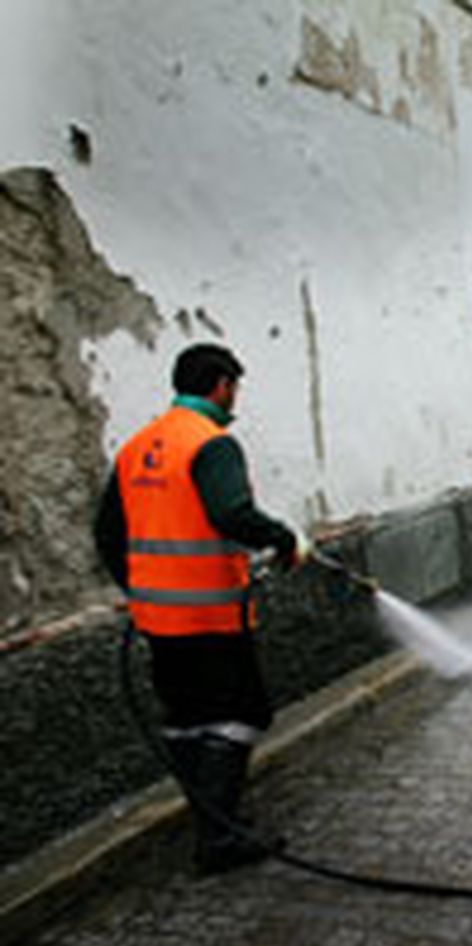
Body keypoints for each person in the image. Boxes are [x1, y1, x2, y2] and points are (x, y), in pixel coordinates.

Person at [94, 343, 308, 874]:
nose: (235, 399)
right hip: (211, 616)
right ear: (220, 385)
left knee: (187, 718)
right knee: (244, 713)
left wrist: (140, 586)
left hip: (158, 621)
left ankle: (210, 817)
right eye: (234, 387)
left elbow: (105, 532)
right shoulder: (212, 445)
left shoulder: (137, 446)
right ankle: (219, 836)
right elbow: (232, 512)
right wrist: (284, 540)